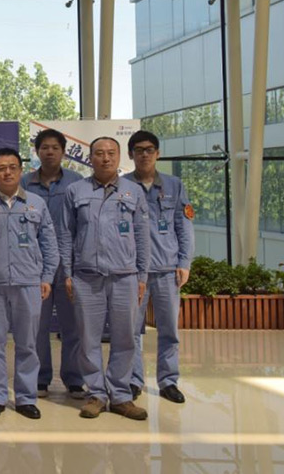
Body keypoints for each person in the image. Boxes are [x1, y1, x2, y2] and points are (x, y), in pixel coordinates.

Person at [59, 137, 150, 421]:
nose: (105, 158)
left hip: (125, 277)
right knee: (88, 339)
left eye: (111, 153)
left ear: (119, 157)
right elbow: (66, 234)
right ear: (90, 158)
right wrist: (68, 273)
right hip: (87, 278)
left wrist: (142, 276)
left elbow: (142, 236)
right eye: (99, 153)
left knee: (125, 338)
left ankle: (121, 395)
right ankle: (96, 394)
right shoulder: (76, 191)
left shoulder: (134, 191)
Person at [0, 148, 58, 420]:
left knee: (27, 343)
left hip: (28, 283)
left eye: (12, 167)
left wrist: (47, 277)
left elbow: (49, 244)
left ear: (20, 170)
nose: (7, 172)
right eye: (1, 168)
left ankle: (26, 398)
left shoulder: (36, 205)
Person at [124, 130, 193, 404]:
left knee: (169, 330)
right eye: (139, 150)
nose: (144, 154)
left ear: (158, 153)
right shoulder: (122, 186)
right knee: (131, 330)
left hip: (167, 269)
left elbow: (184, 227)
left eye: (149, 149)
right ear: (130, 154)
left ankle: (168, 381)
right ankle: (133, 380)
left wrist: (184, 262)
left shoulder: (174, 186)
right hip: (133, 272)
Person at [22, 128, 85, 399]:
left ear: (63, 152)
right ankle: (40, 378)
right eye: (44, 147)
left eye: (55, 148)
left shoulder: (76, 182)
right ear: (37, 152)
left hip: (70, 264)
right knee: (38, 326)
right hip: (35, 266)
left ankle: (74, 378)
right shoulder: (24, 183)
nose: (49, 152)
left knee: (73, 326)